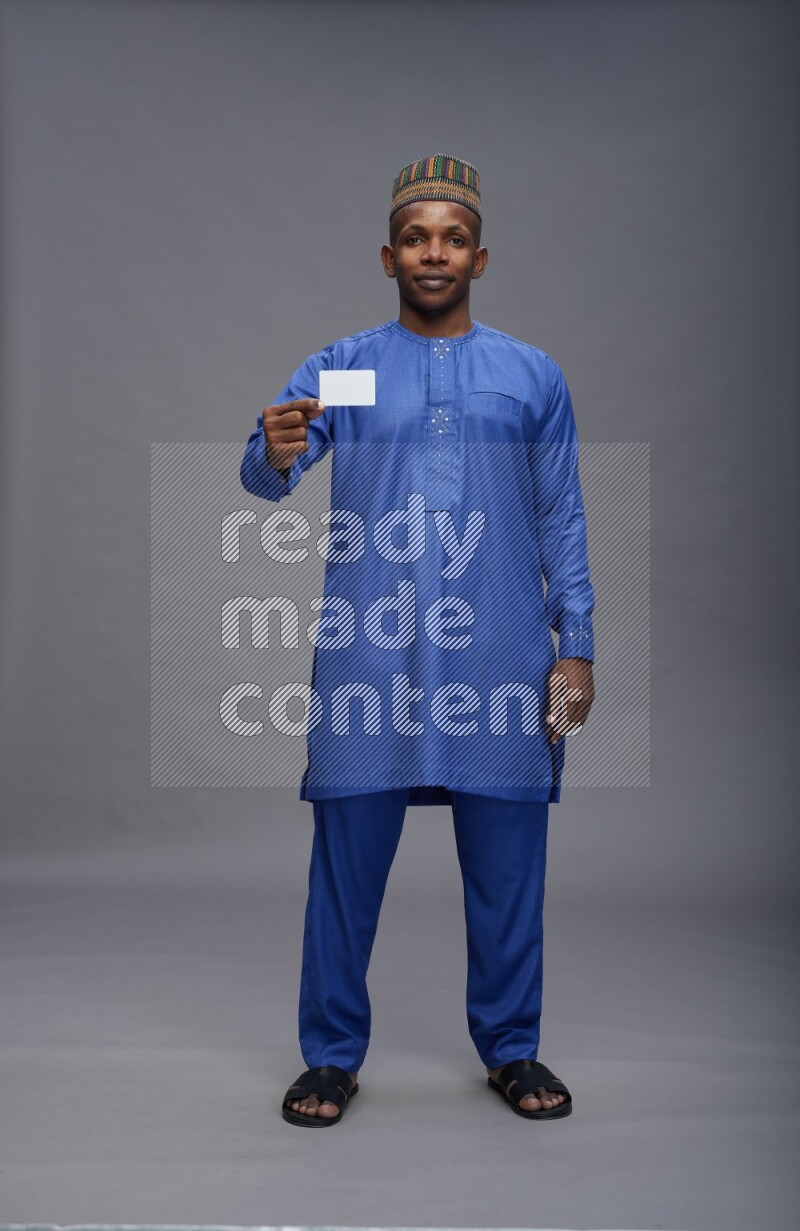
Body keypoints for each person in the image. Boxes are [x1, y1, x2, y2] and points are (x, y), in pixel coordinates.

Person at [239, 154, 596, 1125]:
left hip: (501, 650)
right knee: (345, 860)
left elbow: (560, 515)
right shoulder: (345, 370)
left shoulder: (528, 375)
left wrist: (576, 645)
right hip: (373, 650)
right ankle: (329, 1055)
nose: (430, 251)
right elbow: (274, 468)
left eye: (449, 237)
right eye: (413, 237)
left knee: (509, 858)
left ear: (478, 256)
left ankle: (511, 1047)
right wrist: (271, 451)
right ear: (386, 255)